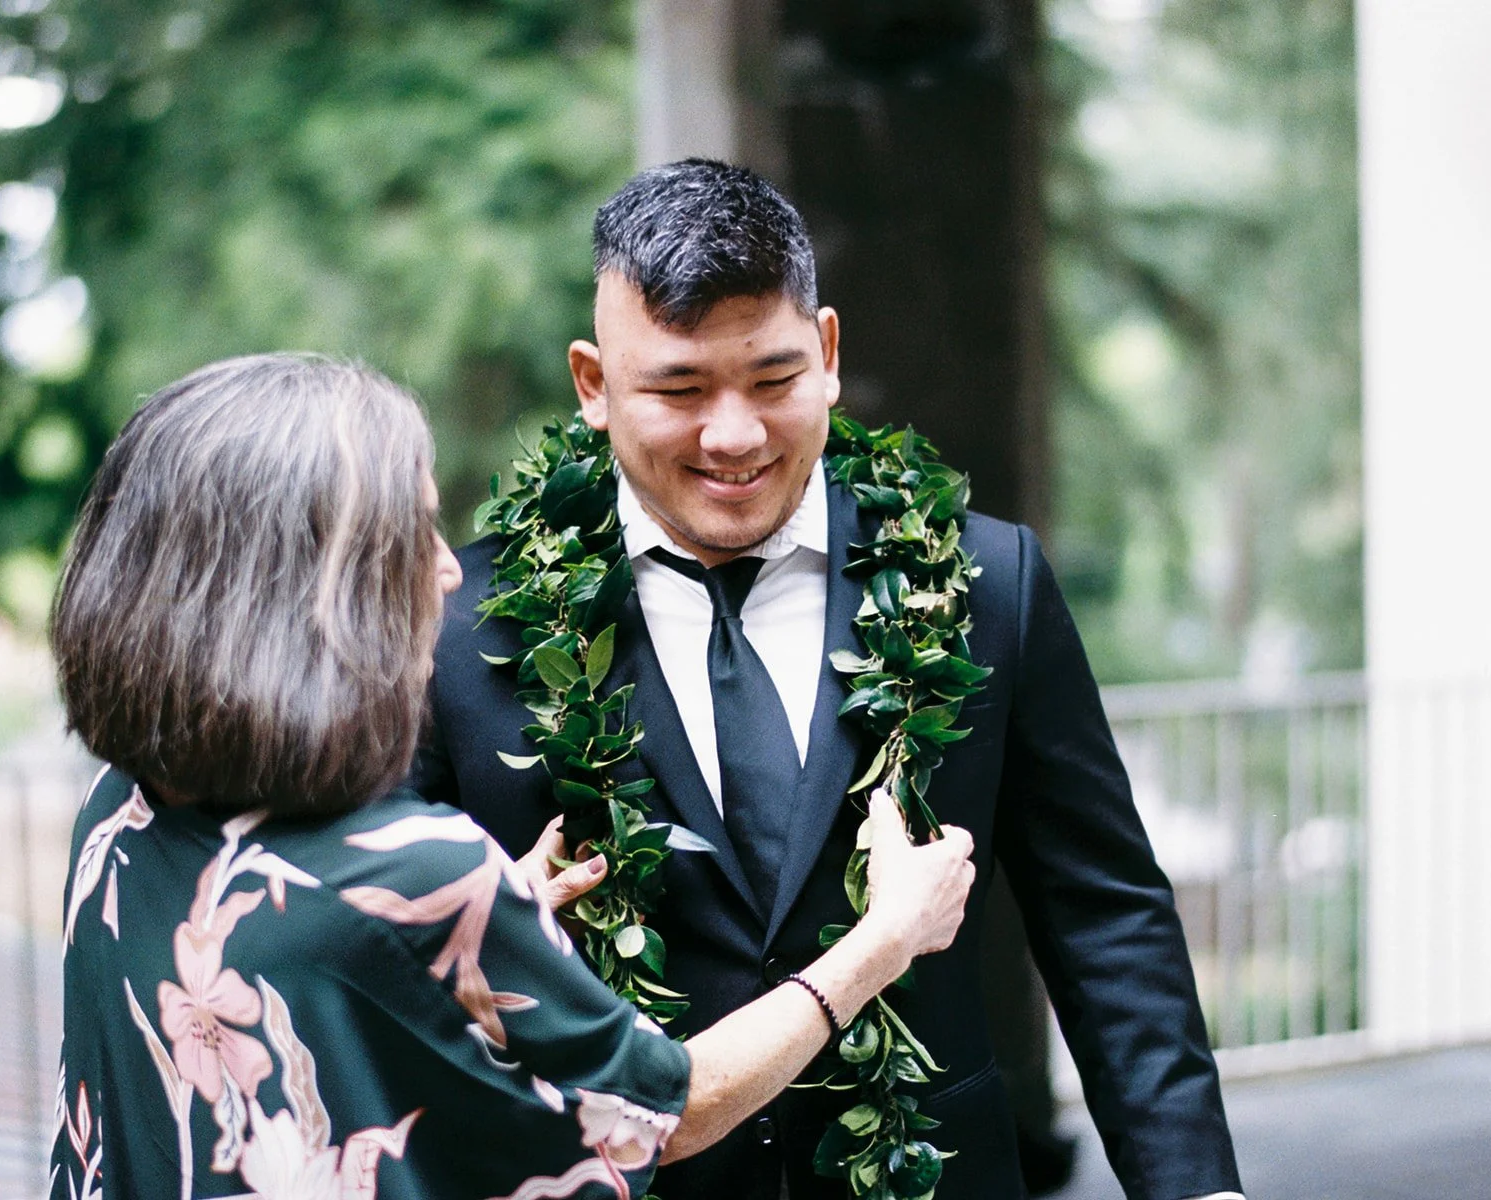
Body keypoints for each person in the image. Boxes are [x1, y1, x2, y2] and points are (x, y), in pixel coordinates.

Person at [416, 160, 1247, 1200]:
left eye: (772, 379)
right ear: (592, 384)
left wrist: (1196, 1187)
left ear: (830, 353)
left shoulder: (989, 585)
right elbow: (377, 965)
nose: (734, 434)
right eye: (677, 388)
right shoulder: (459, 631)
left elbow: (1104, 914)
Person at [46, 353, 975, 1200]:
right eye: (412, 535)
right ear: (309, 592)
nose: (450, 573)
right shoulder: (420, 867)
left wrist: (448, 938)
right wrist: (887, 938)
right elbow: (670, 1115)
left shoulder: (113, 814)